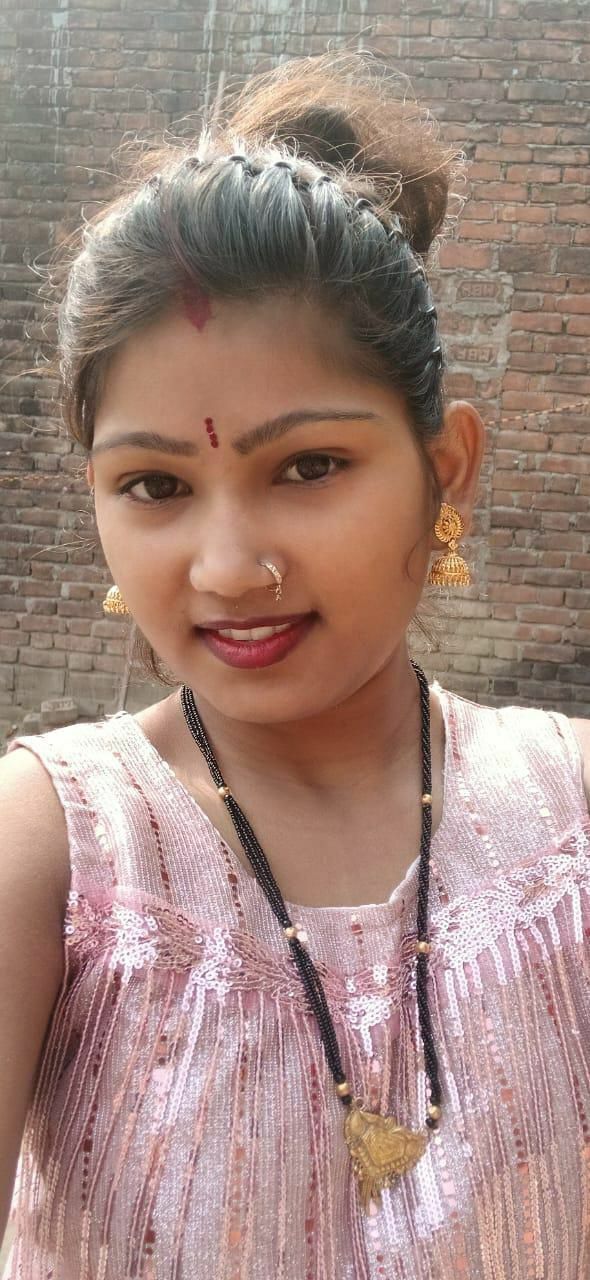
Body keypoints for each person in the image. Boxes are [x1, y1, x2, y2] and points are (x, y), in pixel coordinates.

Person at [1, 49, 588, 1280]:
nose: (229, 567)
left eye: (308, 466)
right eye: (153, 485)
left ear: (445, 468)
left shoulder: (570, 816)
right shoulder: (51, 850)